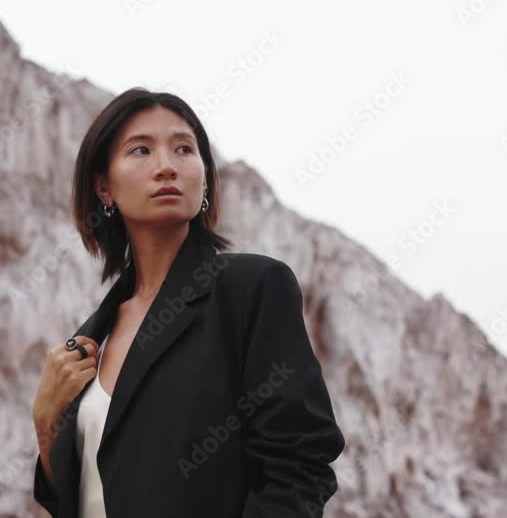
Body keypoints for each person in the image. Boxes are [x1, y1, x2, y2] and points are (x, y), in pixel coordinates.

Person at [30, 87, 346, 517]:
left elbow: (300, 463)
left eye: (183, 148)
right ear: (103, 187)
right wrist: (47, 426)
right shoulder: (91, 339)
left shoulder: (250, 289)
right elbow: (76, 501)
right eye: (141, 150)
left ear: (205, 177)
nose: (166, 167)